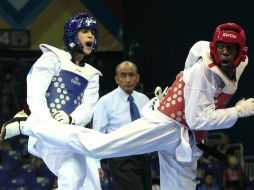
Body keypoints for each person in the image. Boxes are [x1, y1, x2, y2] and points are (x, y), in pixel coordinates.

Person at [2, 23, 254, 190]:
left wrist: (183, 75)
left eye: (230, 49)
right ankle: (31, 124)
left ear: (240, 52)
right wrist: (239, 111)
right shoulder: (203, 73)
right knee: (97, 145)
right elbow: (199, 118)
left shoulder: (236, 63)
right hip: (166, 124)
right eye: (220, 47)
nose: (224, 53)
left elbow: (197, 47)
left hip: (186, 140)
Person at [2, 13, 103, 190]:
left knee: (87, 185)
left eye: (93, 32)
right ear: (72, 33)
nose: (90, 36)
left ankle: (25, 124)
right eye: (85, 31)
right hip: (49, 133)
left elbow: (88, 108)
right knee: (73, 177)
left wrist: (70, 119)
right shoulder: (53, 57)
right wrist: (47, 124)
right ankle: (27, 124)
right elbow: (35, 93)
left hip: (72, 133)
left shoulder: (92, 74)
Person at [93, 61, 152, 190]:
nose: (128, 80)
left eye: (131, 75)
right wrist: (95, 164)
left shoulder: (144, 100)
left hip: (144, 156)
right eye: (123, 75)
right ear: (116, 79)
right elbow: (97, 135)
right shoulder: (105, 102)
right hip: (120, 157)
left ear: (137, 78)